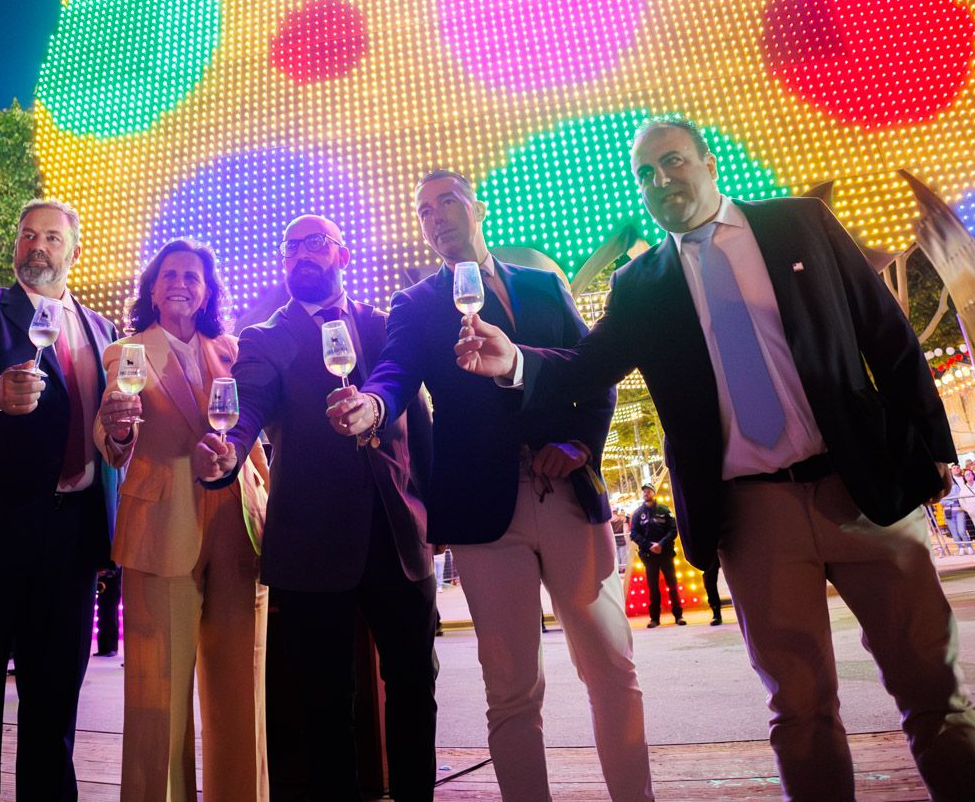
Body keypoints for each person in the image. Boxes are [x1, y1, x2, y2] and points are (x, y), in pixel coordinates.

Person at [456, 116, 975, 801]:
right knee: (800, 710)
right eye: (646, 175)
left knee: (932, 687)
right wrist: (515, 362)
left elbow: (887, 334)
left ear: (708, 163)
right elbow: (585, 366)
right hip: (754, 514)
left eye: (673, 162)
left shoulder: (800, 224)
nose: (661, 181)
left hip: (864, 490)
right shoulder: (642, 285)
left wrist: (932, 453)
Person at [346, 169, 651, 802]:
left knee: (612, 668)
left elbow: (594, 371)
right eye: (424, 209)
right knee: (510, 690)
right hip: (484, 514)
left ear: (477, 207)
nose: (435, 217)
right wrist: (374, 406)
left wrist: (581, 445)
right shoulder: (415, 304)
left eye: (447, 201)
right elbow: (396, 371)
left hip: (567, 493)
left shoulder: (543, 285)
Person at [196, 213, 437, 802]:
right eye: (292, 246)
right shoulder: (263, 337)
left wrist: (435, 509)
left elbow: (421, 421)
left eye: (316, 244)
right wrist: (227, 454)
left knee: (413, 686)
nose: (303, 254)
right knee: (325, 701)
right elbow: (247, 405)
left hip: (399, 536)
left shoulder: (386, 326)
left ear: (343, 256)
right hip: (310, 541)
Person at [0, 197, 119, 802]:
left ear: (75, 251)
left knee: (56, 701)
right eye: (28, 236)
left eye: (53, 239)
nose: (38, 247)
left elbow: (106, 428)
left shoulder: (105, 331)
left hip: (73, 538)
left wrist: (121, 430)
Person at [95, 238, 270, 802]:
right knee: (157, 694)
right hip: (160, 527)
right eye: (170, 274)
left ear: (207, 290)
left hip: (237, 524)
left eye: (193, 276)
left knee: (242, 686)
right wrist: (118, 432)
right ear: (153, 288)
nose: (181, 283)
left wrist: (262, 488)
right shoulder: (127, 353)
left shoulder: (233, 350)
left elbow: (254, 435)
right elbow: (109, 430)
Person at [630, 485, 685, 629]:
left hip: (665, 554)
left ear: (654, 493)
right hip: (649, 556)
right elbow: (634, 534)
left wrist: (660, 544)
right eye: (643, 491)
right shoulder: (637, 513)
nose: (645, 493)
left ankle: (678, 615)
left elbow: (673, 530)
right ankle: (654, 618)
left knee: (672, 584)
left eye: (648, 491)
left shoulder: (664, 510)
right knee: (653, 587)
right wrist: (649, 545)